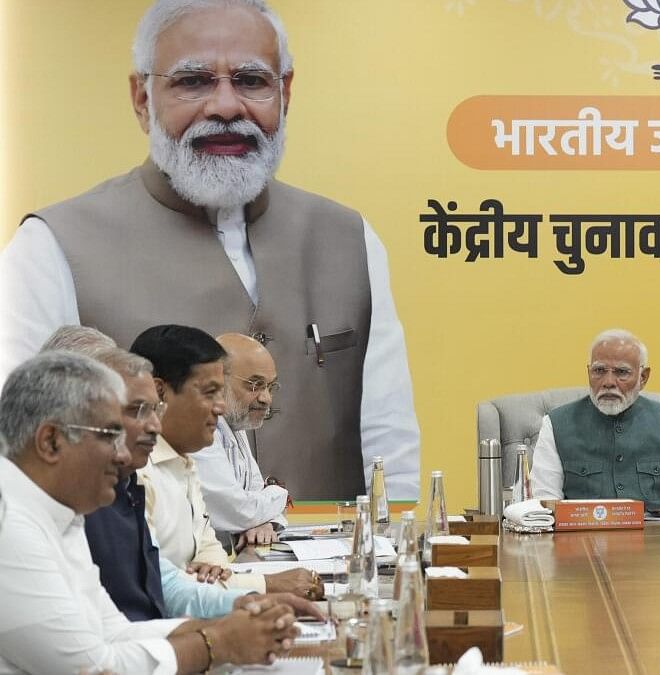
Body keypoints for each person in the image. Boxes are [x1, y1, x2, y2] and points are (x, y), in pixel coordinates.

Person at [0, 0, 420, 500]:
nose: (225, 106)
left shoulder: (350, 238)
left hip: (331, 573)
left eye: (250, 80)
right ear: (141, 98)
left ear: (284, 93)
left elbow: (388, 445)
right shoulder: (53, 246)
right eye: (192, 81)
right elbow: (22, 448)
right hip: (147, 571)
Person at [0, 351, 299, 672]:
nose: (121, 453)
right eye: (110, 436)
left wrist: (236, 622)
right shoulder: (10, 525)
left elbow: (113, 631)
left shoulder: (61, 513)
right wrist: (218, 643)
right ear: (51, 442)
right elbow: (93, 668)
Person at [131, 324, 316, 599]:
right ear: (160, 393)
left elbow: (211, 557)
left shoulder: (184, 462)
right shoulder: (133, 474)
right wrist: (268, 586)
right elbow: (163, 585)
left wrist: (229, 586)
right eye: (210, 392)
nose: (220, 407)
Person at [528, 329, 660, 507]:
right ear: (588, 372)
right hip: (583, 535)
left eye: (621, 372)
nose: (608, 382)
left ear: (643, 377)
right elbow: (546, 503)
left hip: (656, 534)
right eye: (599, 370)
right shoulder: (556, 424)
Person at [193, 333, 288, 549]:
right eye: (255, 385)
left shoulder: (235, 422)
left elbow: (254, 496)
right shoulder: (199, 426)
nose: (266, 398)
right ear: (218, 380)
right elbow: (237, 510)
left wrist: (268, 524)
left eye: (270, 387)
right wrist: (280, 494)